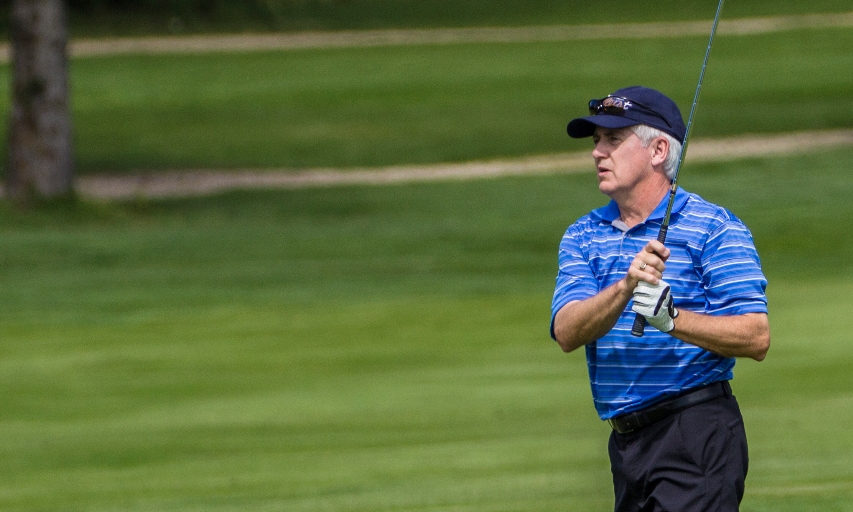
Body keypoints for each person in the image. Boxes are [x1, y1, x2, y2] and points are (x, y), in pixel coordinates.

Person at [549, 85, 770, 511]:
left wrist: (673, 319)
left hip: (695, 432)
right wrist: (624, 288)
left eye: (613, 140)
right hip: (625, 442)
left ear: (658, 150)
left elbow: (755, 336)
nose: (598, 152)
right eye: (596, 141)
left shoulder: (715, 227)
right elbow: (567, 331)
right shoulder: (582, 235)